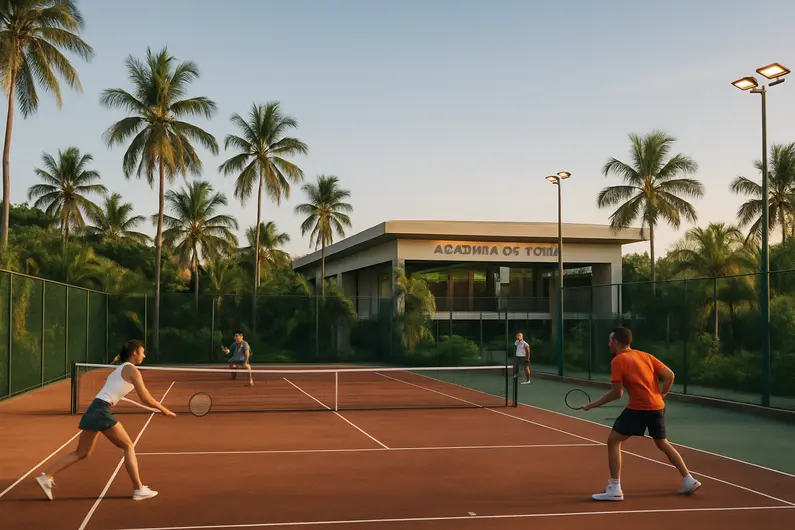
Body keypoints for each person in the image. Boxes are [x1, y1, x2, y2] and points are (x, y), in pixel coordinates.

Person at [35, 340, 176, 501]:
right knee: (128, 445)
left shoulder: (121, 367)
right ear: (134, 352)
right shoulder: (132, 370)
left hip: (94, 409)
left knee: (82, 452)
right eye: (142, 352)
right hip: (101, 410)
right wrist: (164, 410)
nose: (144, 355)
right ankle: (138, 489)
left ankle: (46, 477)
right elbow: (145, 397)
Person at [582, 327, 701, 501]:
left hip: (639, 407)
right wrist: (662, 394)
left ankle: (615, 488)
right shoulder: (645, 356)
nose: (608, 344)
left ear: (616, 342)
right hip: (657, 406)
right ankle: (688, 479)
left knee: (613, 440)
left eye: (610, 341)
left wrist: (592, 405)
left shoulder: (618, 360)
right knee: (662, 443)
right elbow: (670, 375)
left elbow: (617, 393)